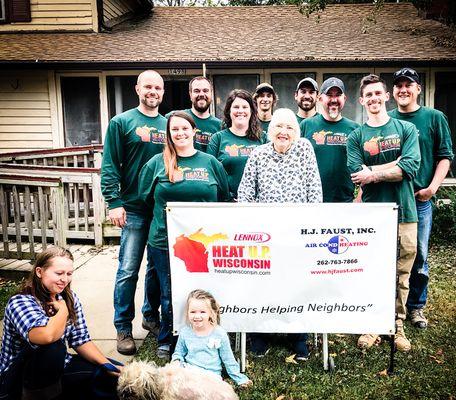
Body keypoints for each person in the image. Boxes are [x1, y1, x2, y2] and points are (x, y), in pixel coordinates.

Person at [138, 111, 230, 359]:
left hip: (203, 243)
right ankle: (168, 339)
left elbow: (224, 197)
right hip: (165, 241)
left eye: (184, 128)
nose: (180, 133)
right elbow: (144, 199)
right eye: (174, 129)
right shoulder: (157, 163)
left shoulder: (211, 163)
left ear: (194, 131)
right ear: (168, 134)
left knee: (205, 290)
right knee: (170, 293)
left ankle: (208, 333)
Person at [238, 108, 322, 360]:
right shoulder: (258, 154)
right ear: (270, 130)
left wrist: (309, 229)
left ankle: (298, 337)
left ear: (296, 132)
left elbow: (315, 191)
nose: (284, 132)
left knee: (297, 285)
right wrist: (254, 225)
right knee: (262, 284)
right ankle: (260, 334)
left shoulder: (305, 149)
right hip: (265, 235)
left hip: (297, 233)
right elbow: (244, 194)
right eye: (278, 127)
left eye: (289, 128)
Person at [347, 74, 421, 352]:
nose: (374, 99)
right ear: (362, 100)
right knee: (371, 270)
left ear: (386, 96)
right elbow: (356, 174)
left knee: (402, 272)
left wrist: (373, 173)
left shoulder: (405, 130)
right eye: (369, 95)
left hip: (405, 212)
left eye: (378, 93)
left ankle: (397, 323)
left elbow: (411, 167)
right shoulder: (356, 136)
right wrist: (395, 165)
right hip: (371, 215)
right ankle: (371, 322)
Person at [101, 69, 166, 355]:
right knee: (128, 270)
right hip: (133, 209)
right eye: (148, 87)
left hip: (161, 210)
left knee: (155, 269)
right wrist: (113, 201)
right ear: (137, 89)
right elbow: (110, 164)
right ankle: (123, 326)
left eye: (158, 88)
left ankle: (150, 317)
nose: (153, 92)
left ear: (163, 93)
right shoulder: (121, 122)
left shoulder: (169, 125)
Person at [0, 247, 121, 400]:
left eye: (69, 274)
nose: (65, 279)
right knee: (53, 347)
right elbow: (47, 336)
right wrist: (63, 310)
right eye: (59, 273)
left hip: (58, 367)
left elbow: (81, 340)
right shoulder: (20, 302)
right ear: (39, 272)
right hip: (17, 379)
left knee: (114, 376)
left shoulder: (70, 298)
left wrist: (107, 365)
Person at [388, 67, 454, 329]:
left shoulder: (434, 117)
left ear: (418, 89)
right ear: (393, 92)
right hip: (389, 200)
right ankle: (388, 305)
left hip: (420, 200)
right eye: (399, 85)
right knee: (388, 255)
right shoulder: (387, 119)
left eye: (409, 85)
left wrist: (432, 188)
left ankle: (415, 307)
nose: (403, 90)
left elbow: (445, 156)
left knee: (419, 256)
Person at [172, 289, 252, 387]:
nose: (197, 316)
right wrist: (176, 362)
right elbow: (179, 352)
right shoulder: (185, 332)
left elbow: (228, 359)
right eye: (192, 312)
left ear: (211, 313)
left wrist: (239, 378)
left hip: (211, 376)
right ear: (187, 313)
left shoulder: (219, 333)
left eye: (202, 312)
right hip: (190, 372)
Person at [300, 77, 360, 202]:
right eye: (329, 95)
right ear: (320, 98)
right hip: (313, 202)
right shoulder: (306, 125)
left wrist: (358, 198)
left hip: (346, 202)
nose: (334, 99)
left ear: (344, 98)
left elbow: (362, 167)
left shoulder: (355, 129)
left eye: (338, 95)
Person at [207, 89, 264, 200]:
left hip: (257, 204)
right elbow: (211, 174)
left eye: (245, 107)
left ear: (252, 110)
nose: (240, 111)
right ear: (229, 110)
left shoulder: (263, 138)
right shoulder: (218, 139)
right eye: (236, 107)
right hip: (227, 204)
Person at [165, 76, 222, 152]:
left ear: (211, 94)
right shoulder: (174, 118)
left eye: (205, 91)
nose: (201, 94)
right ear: (190, 94)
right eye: (197, 91)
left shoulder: (220, 126)